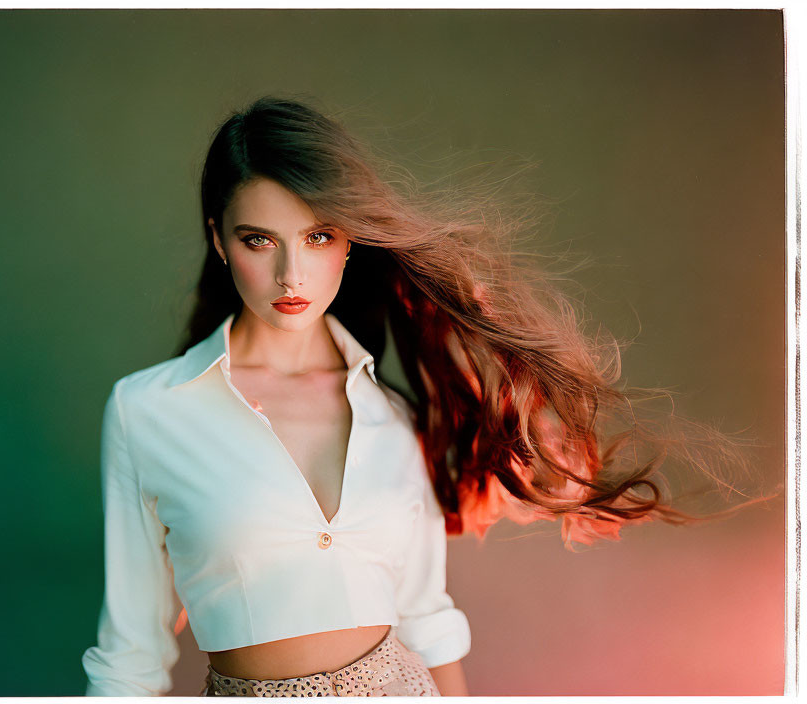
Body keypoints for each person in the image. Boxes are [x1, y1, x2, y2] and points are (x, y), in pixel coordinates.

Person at [81, 96, 753, 697]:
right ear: (218, 241)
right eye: (259, 240)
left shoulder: (393, 418)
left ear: (350, 243)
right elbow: (129, 658)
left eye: (319, 237)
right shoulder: (151, 412)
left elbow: (427, 616)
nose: (291, 273)